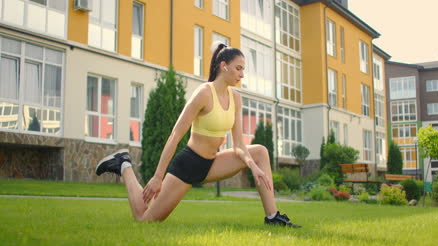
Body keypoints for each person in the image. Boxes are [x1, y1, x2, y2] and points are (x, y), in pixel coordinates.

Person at [95, 42, 300, 228]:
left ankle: (273, 217)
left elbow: (239, 144)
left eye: (243, 69)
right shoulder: (203, 94)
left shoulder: (235, 98)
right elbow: (175, 135)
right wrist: (158, 177)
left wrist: (253, 166)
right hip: (188, 164)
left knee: (261, 152)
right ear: (223, 66)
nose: (242, 75)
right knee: (144, 218)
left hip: (213, 163)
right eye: (238, 68)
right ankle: (124, 165)